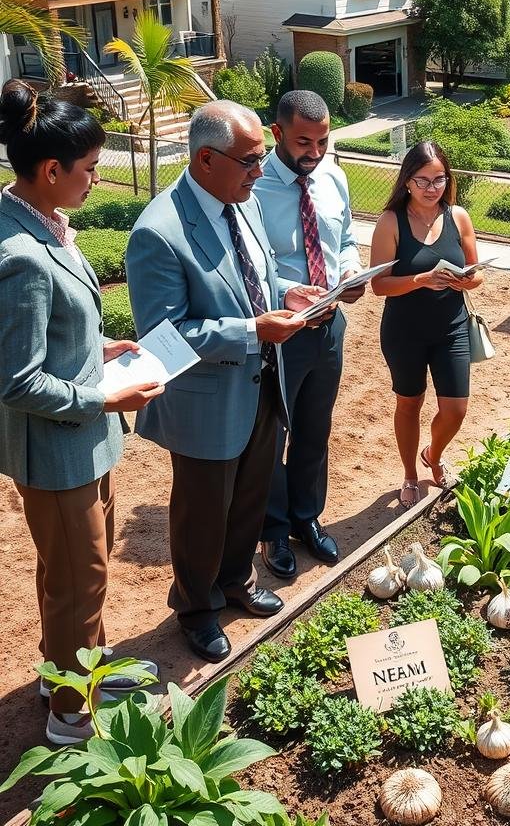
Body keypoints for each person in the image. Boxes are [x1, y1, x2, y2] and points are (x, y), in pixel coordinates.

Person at [125, 99, 316, 663]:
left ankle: (235, 580)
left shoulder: (243, 202)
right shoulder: (159, 232)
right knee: (203, 514)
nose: (261, 170)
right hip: (206, 400)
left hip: (261, 382)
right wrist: (254, 330)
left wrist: (288, 294)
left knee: (251, 495)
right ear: (206, 160)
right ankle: (196, 608)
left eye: (262, 158)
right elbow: (165, 335)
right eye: (249, 160)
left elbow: (255, 276)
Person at [0, 80, 161, 744]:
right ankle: (70, 714)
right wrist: (105, 396)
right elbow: (16, 380)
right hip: (58, 451)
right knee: (78, 578)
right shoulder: (21, 256)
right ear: (50, 170)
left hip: (83, 443)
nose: (96, 179)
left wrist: (97, 347)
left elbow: (49, 335)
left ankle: (73, 670)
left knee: (77, 573)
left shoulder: (41, 223)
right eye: (90, 169)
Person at [253, 90, 365, 580]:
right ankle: (274, 530)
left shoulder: (334, 177)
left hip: (329, 326)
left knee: (315, 428)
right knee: (273, 432)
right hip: (281, 330)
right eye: (304, 142)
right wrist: (286, 290)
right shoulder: (253, 187)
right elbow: (247, 264)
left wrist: (352, 271)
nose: (314, 153)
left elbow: (345, 240)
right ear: (277, 133)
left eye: (323, 142)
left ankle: (306, 517)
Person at [370, 141, 483, 509]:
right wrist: (420, 279)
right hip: (405, 331)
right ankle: (409, 474)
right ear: (407, 181)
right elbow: (378, 285)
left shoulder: (458, 216)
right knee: (409, 403)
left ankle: (432, 454)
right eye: (423, 180)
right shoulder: (391, 222)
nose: (432, 188)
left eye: (439, 179)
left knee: (456, 409)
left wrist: (467, 281)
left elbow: (477, 272)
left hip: (452, 328)